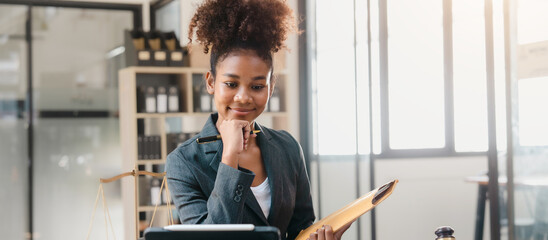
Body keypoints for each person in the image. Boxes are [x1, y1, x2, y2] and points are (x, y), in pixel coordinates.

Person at [166, 0, 352, 239]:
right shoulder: (184, 163)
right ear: (211, 82)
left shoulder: (287, 147)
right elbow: (210, 237)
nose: (243, 97)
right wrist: (230, 156)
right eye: (231, 84)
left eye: (257, 86)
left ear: (271, 87)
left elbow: (301, 227)